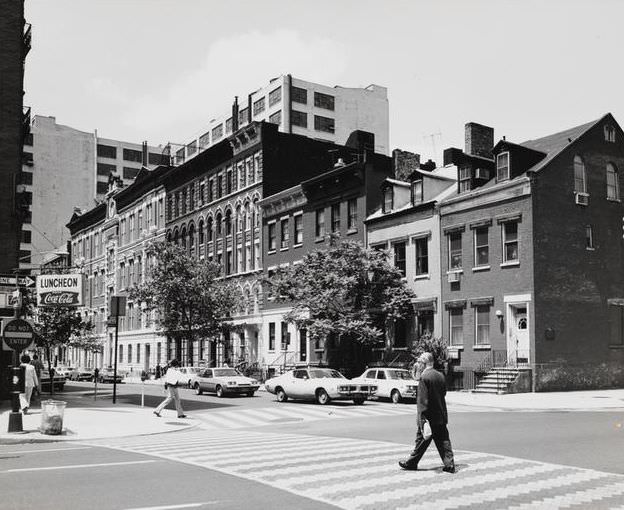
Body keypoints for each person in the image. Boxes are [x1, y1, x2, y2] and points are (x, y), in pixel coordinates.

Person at [399, 352, 455, 473]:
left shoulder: (424, 378)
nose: (418, 365)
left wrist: (422, 418)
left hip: (428, 416)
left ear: (424, 363)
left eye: (420, 362)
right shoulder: (440, 375)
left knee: (421, 441)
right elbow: (443, 393)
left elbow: (422, 400)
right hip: (440, 414)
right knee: (444, 441)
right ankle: (449, 464)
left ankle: (411, 463)